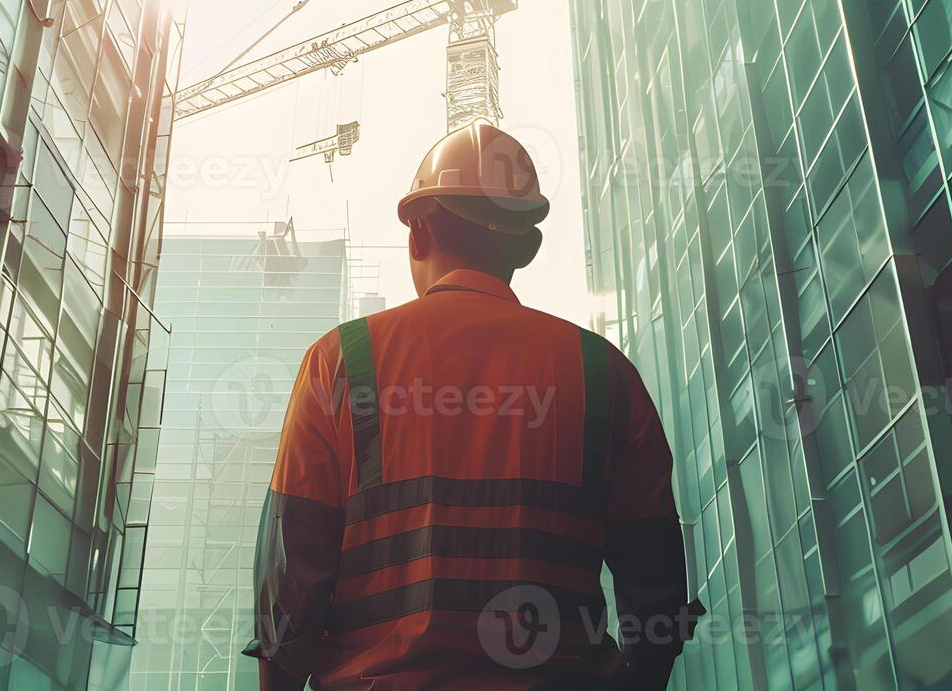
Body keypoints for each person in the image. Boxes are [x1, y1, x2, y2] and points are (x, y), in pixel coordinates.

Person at [244, 123, 701, 689]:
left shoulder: (339, 360)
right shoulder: (605, 373)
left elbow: (289, 587)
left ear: (417, 235)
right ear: (522, 248)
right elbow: (655, 590)